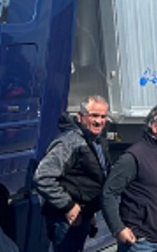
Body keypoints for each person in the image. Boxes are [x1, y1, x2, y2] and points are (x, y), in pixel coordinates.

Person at [34, 95, 110, 252]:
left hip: (82, 216)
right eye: (94, 115)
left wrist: (89, 213)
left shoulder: (96, 141)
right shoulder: (70, 142)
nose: (99, 121)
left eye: (103, 116)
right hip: (65, 219)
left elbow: (87, 181)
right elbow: (43, 177)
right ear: (80, 117)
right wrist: (68, 206)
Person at [102, 104, 157, 252]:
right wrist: (119, 229)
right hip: (140, 241)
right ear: (155, 127)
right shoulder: (133, 157)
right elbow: (109, 193)